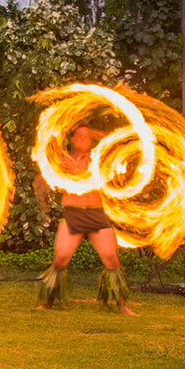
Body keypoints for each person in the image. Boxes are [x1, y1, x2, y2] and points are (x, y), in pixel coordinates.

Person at [33, 126, 137, 316]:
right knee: (60, 259)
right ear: (72, 138)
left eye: (87, 136)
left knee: (111, 259)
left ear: (91, 141)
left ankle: (122, 306)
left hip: (97, 215)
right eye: (79, 136)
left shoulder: (99, 159)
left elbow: (116, 175)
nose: (83, 139)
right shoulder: (63, 160)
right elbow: (46, 175)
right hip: (73, 215)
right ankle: (47, 301)